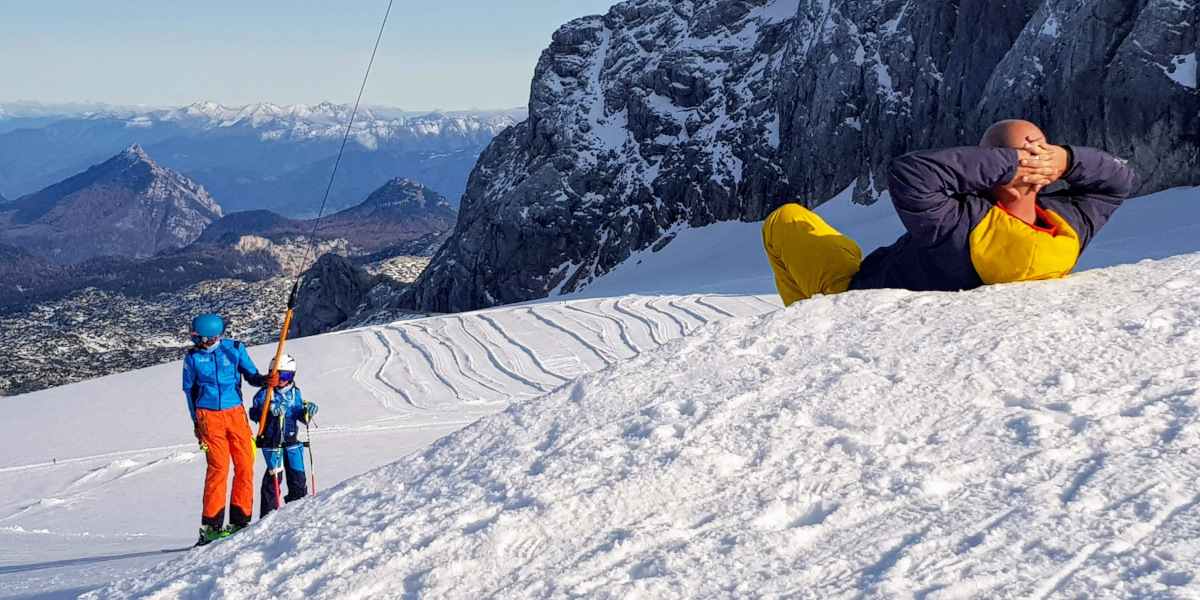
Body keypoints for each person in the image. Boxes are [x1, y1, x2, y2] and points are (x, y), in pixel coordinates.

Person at [762, 120, 1140, 305]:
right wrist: (1069, 160)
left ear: (993, 166)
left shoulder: (960, 226)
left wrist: (1006, 162)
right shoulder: (1065, 231)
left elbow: (909, 172)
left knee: (787, 219)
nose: (1034, 154)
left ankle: (806, 321)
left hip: (853, 295)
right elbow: (1121, 180)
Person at [182, 313, 276, 545]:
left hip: (235, 413)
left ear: (210, 337)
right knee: (219, 468)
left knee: (245, 464)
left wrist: (266, 380)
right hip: (208, 416)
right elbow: (190, 392)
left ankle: (240, 521)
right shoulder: (193, 358)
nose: (194, 340)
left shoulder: (234, 349)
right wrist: (196, 422)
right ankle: (212, 526)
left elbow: (252, 376)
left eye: (197, 337)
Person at [248, 353, 318, 518]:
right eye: (277, 374)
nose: (281, 379)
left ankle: (297, 512)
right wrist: (268, 409)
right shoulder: (264, 394)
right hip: (272, 441)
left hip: (292, 439)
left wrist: (306, 412)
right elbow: (254, 414)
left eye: (285, 375)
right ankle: (268, 516)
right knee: (273, 480)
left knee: (298, 477)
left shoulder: (296, 392)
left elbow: (298, 414)